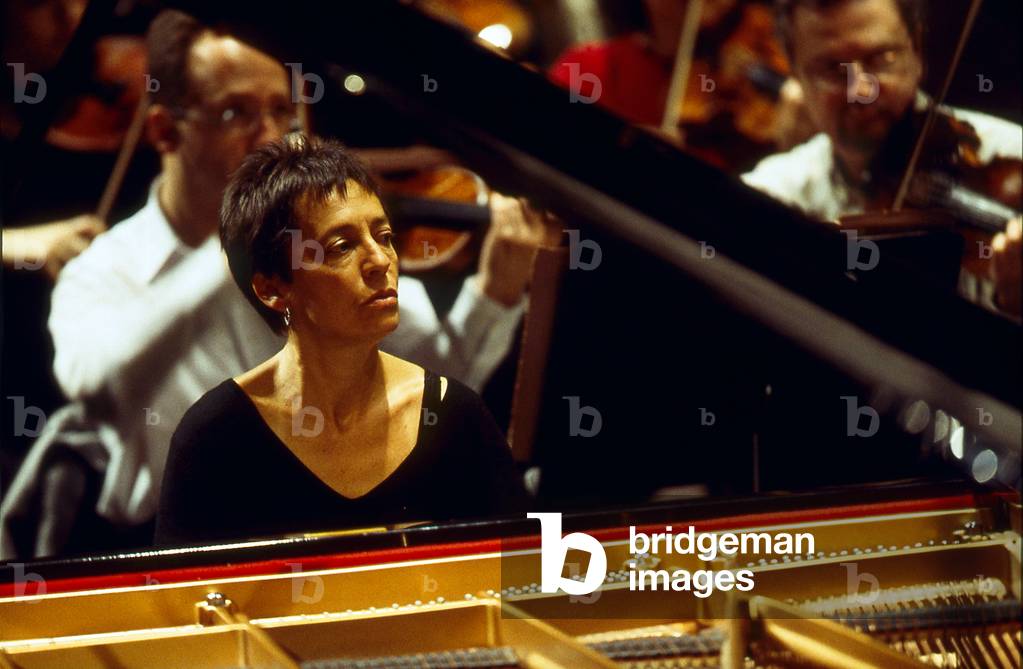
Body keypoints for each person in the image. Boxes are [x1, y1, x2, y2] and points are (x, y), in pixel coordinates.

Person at [46, 10, 544, 535]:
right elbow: (95, 381)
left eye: (281, 112)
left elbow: (439, 379)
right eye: (236, 113)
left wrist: (495, 291)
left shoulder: (328, 252)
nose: (270, 138)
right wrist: (234, 252)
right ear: (165, 129)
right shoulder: (105, 268)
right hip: (168, 536)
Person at [155, 136, 529, 545]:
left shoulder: (454, 415)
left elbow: (517, 578)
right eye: (342, 246)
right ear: (271, 288)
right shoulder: (215, 439)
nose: (380, 261)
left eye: (384, 236)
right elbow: (180, 605)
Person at [742, 0, 1022, 316]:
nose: (862, 91)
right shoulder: (775, 195)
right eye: (832, 69)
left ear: (916, 51)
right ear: (797, 79)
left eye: (881, 59)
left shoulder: (1013, 151)